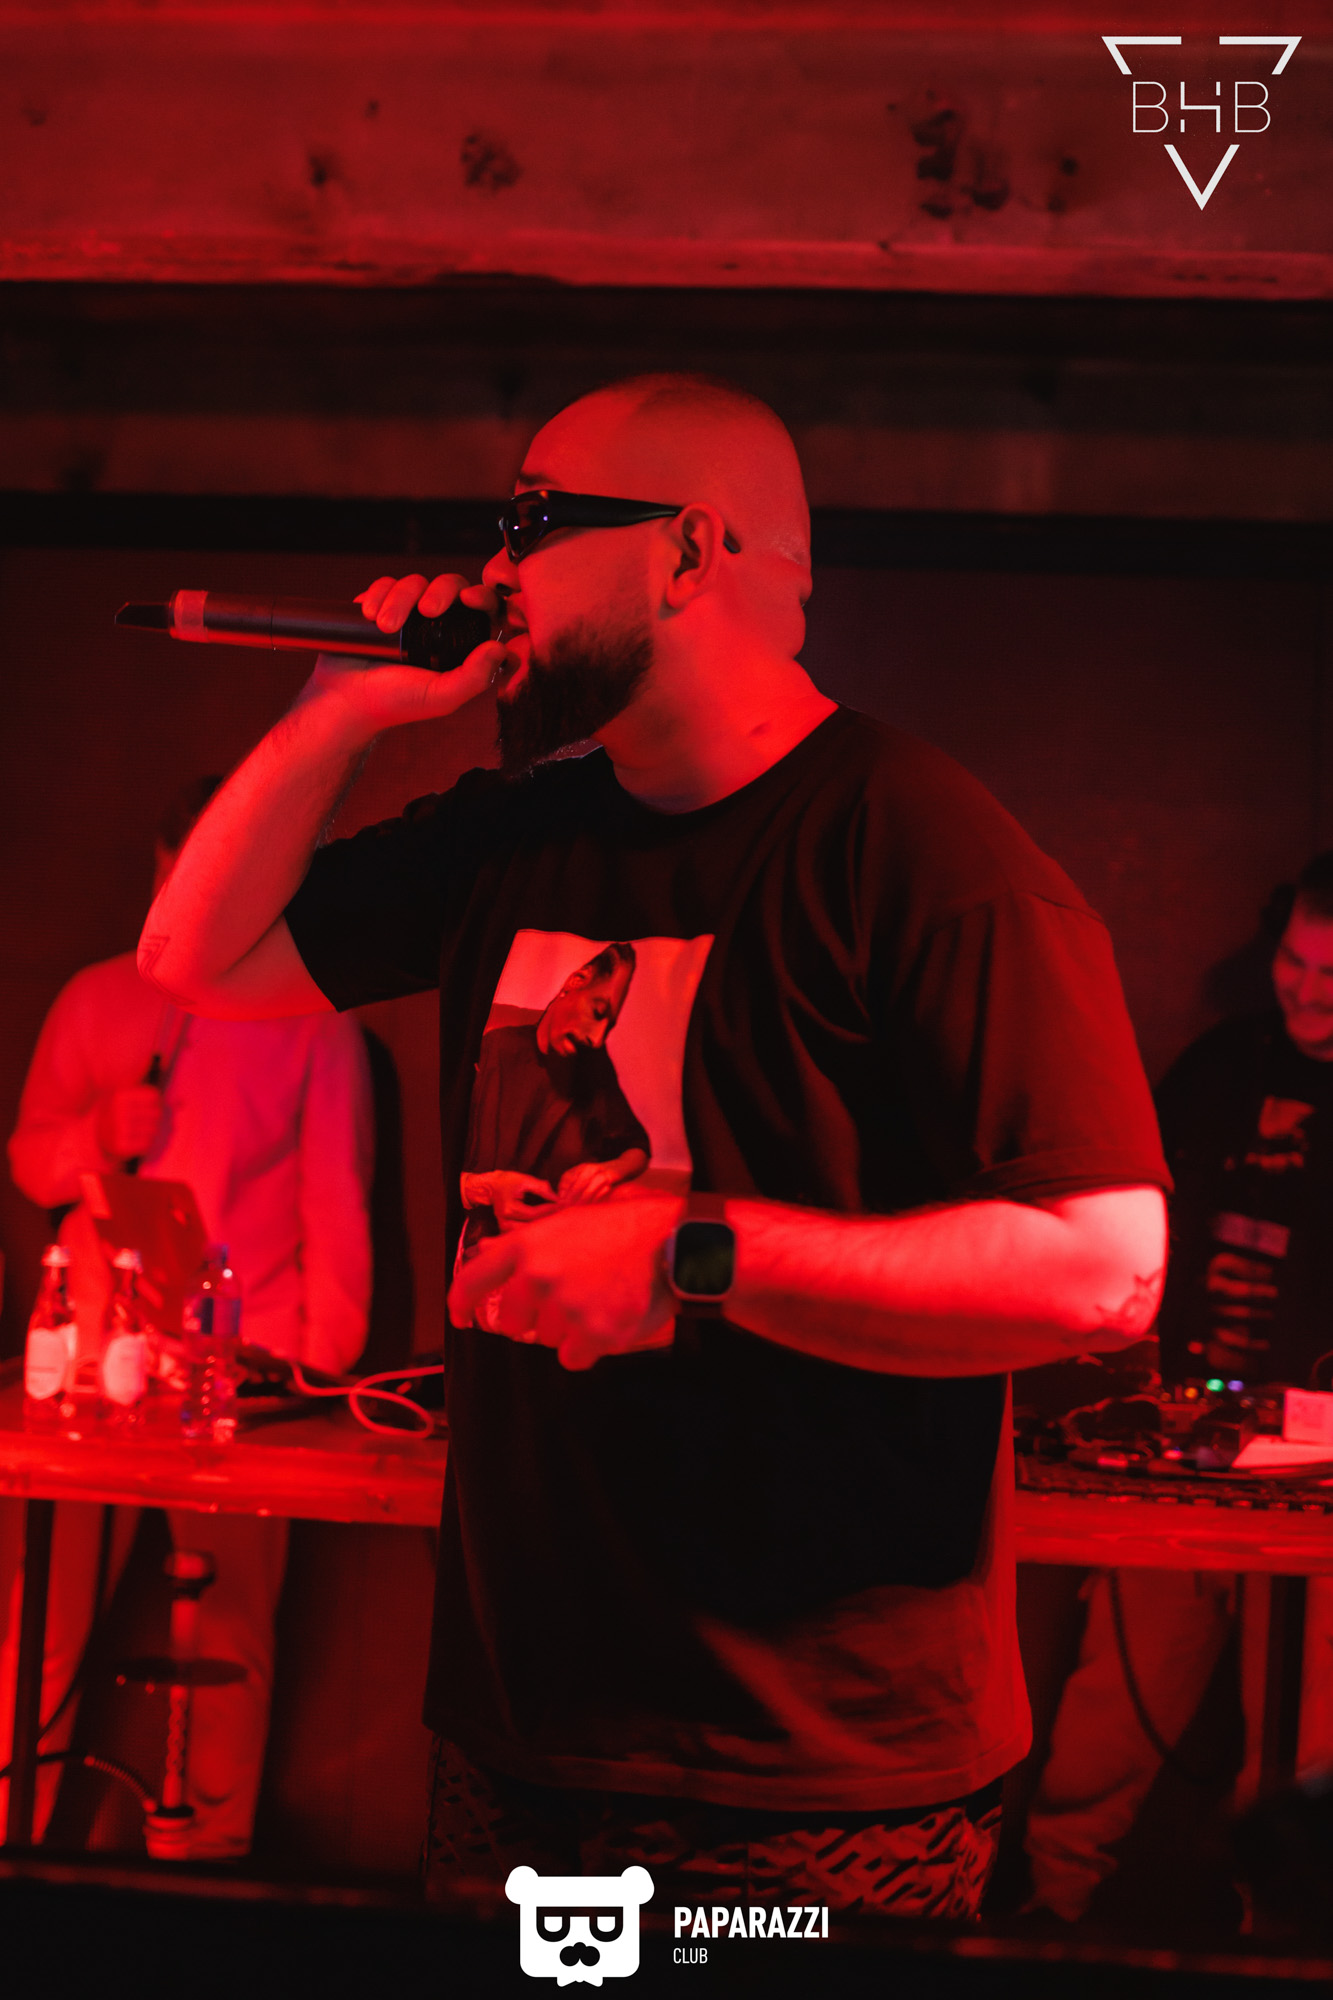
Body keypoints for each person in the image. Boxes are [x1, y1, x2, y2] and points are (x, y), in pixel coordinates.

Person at [138, 372, 1169, 1918]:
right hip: (524, 1731)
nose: (494, 568)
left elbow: (1109, 1273)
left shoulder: (917, 846)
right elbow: (195, 959)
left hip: (806, 1768)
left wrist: (694, 1253)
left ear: (688, 551)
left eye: (533, 521)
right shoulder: (524, 827)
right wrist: (338, 710)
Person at [3, 777, 374, 1857]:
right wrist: (93, 1135)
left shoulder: (316, 1023)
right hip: (88, 1375)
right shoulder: (96, 999)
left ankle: (209, 1879)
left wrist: (307, 1381)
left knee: (228, 1645)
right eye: (180, 886)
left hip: (238, 1381)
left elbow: (337, 1210)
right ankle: (14, 1853)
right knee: (38, 1628)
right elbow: (32, 1162)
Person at [1023, 855, 1333, 1924]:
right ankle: (1049, 1905)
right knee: (1114, 1697)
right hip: (1186, 1441)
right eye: (1294, 961)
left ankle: (1281, 1934)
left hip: (1323, 1476)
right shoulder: (1220, 1065)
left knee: (1306, 1736)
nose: (1307, 990)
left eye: (1332, 974)